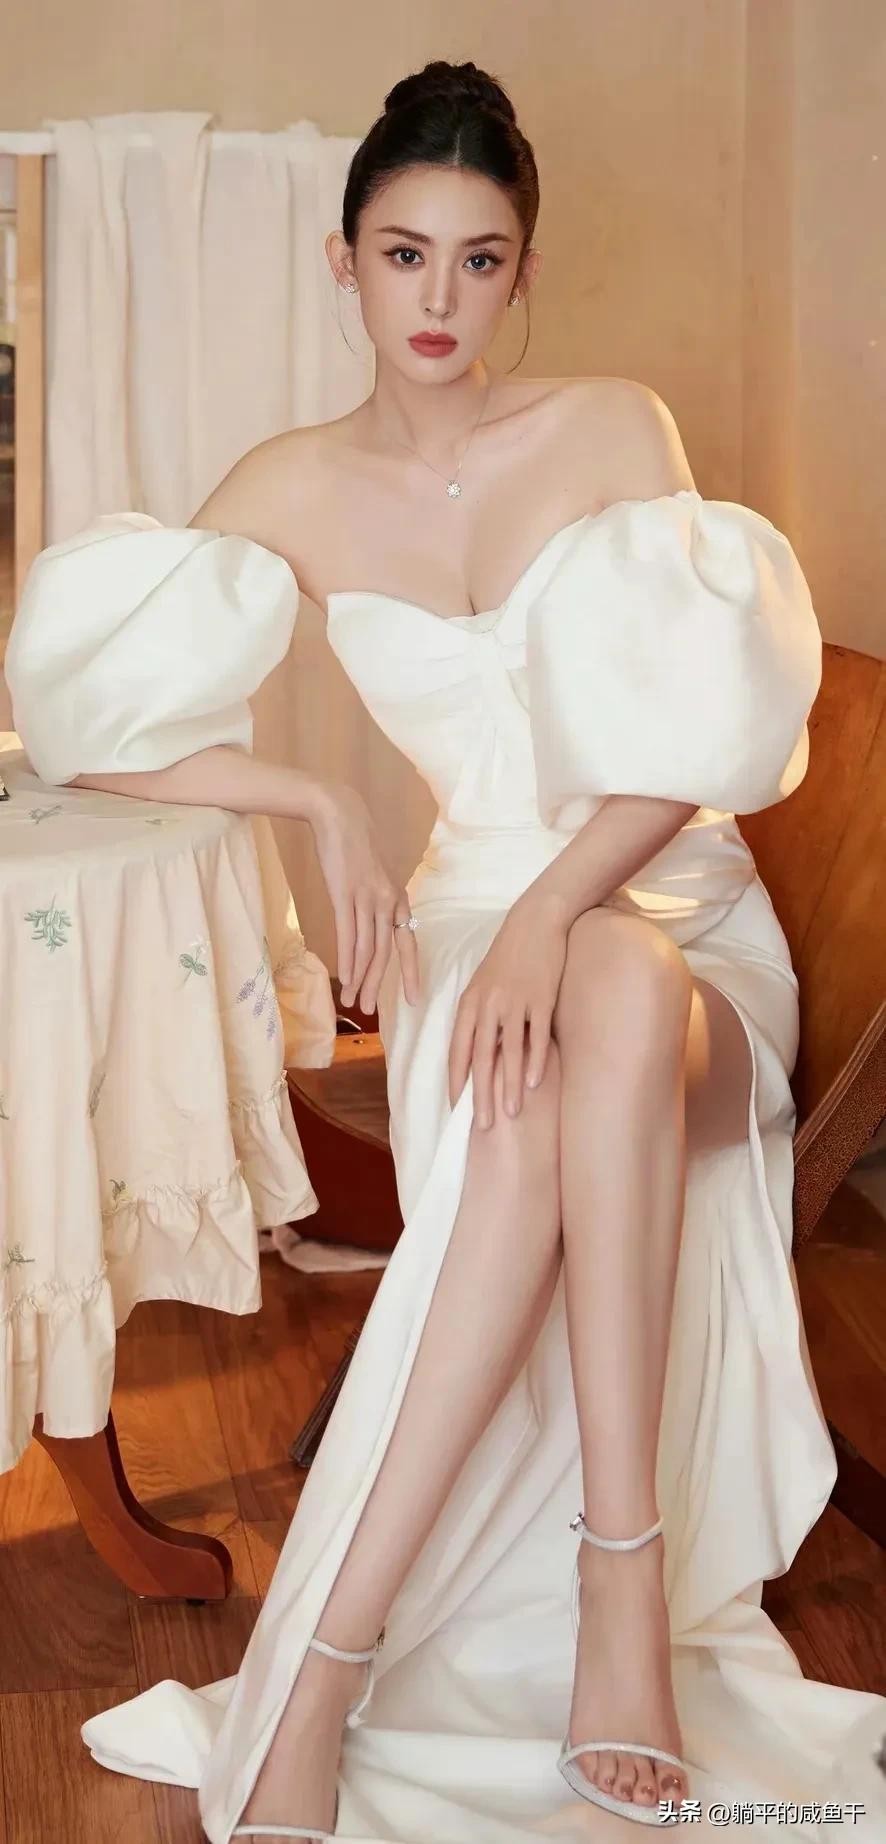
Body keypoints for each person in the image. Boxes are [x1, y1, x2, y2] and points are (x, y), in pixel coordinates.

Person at [6, 57, 884, 1844]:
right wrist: (314, 800)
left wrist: (561, 910)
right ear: (344, 264)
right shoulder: (288, 486)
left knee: (618, 978)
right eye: (404, 255)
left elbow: (700, 745)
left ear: (521, 270)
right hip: (472, 918)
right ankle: (541, 1610)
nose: (439, 299)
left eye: (479, 261)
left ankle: (439, 1633)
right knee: (569, 1027)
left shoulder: (613, 427)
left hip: (667, 902)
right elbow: (81, 724)